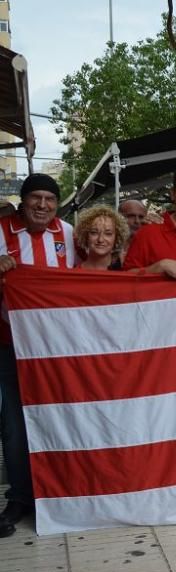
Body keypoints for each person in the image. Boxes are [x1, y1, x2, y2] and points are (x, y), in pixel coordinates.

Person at [0, 174, 76, 537]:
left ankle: (61, 489)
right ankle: (20, 496)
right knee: (15, 425)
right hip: (10, 345)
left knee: (59, 418)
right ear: (22, 201)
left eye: (49, 199)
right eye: (36, 198)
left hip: (57, 346)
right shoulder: (1, 233)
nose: (42, 205)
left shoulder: (70, 234)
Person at [75, 205, 129, 271]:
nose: (100, 239)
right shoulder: (73, 274)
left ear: (117, 238)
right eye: (94, 232)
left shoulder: (126, 271)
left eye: (108, 234)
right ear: (85, 236)